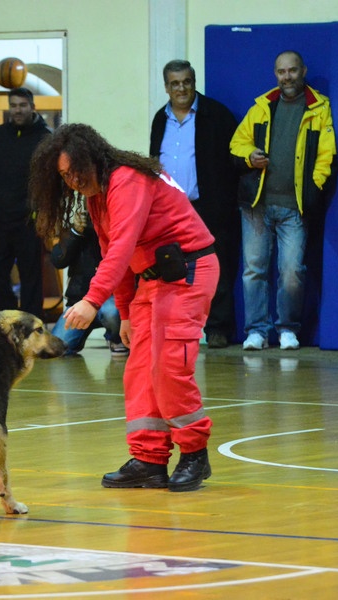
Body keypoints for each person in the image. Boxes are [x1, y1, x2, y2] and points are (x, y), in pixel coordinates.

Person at [30, 123, 219, 493]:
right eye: (64, 176)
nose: (71, 182)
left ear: (92, 160)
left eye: (75, 172)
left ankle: (195, 453)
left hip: (188, 272)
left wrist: (91, 300)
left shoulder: (128, 179)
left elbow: (120, 250)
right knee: (139, 371)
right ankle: (149, 460)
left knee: (168, 366)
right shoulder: (96, 196)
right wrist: (127, 315)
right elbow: (112, 253)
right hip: (152, 279)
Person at [230, 50, 336, 351]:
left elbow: (326, 156)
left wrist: (312, 188)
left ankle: (288, 328)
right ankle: (257, 332)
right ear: (275, 74)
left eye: (292, 71)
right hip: (257, 205)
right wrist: (250, 156)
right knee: (254, 270)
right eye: (281, 72)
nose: (286, 77)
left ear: (303, 71)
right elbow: (237, 142)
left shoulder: (319, 108)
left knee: (292, 272)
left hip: (295, 207)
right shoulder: (263, 106)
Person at [149, 59, 240, 348]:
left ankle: (218, 329)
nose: (181, 88)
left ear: (194, 82)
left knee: (217, 268)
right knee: (171, 270)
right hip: (168, 210)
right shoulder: (159, 119)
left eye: (186, 81)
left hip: (208, 207)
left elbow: (232, 162)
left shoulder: (217, 115)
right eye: (175, 83)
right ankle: (176, 326)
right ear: (166, 87)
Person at [0, 87, 51, 319]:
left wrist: (42, 211)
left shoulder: (46, 139)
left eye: (22, 105)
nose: (17, 110)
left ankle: (31, 327)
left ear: (33, 107)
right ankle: (7, 322)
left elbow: (53, 180)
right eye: (13, 105)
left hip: (28, 221)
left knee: (31, 279)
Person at [49, 206, 126, 356]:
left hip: (110, 298)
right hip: (79, 301)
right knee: (57, 349)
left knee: (112, 311)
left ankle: (117, 339)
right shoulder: (78, 228)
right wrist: (75, 232)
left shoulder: (118, 225)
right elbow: (58, 260)